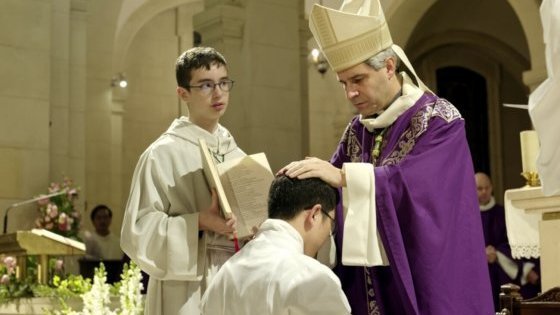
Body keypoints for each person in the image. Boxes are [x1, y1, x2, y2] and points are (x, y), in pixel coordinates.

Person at [279, 1, 494, 314]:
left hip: (424, 282)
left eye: (358, 80)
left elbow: (421, 189)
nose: (349, 93)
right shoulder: (357, 131)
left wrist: (344, 178)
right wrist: (285, 219)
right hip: (369, 287)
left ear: (390, 67)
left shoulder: (439, 121)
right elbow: (326, 190)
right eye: (343, 83)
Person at [120, 46, 244, 315]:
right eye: (206, 85)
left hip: (236, 278)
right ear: (183, 93)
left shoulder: (237, 153)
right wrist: (198, 220)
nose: (218, 93)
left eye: (224, 83)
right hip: (186, 288)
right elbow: (138, 231)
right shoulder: (162, 154)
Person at [200, 175, 351, 315]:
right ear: (315, 214)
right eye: (331, 224)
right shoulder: (313, 277)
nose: (327, 235)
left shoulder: (225, 274)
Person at [476, 172, 541, 310]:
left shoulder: (502, 213)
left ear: (492, 187)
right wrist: (480, 253)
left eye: (487, 188)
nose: (484, 192)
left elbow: (512, 241)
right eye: (479, 188)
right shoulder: (467, 216)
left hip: (502, 271)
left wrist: (497, 253)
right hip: (478, 272)